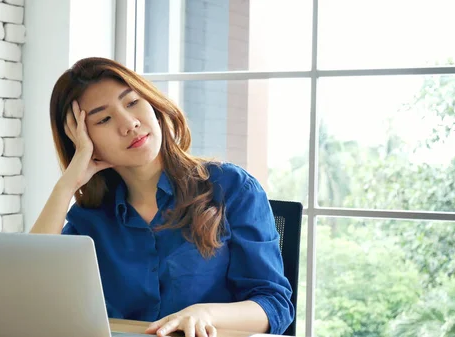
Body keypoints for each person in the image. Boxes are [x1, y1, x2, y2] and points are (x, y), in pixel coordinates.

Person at [30, 57, 294, 337]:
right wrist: (66, 186)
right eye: (104, 119)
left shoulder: (231, 187)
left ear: (153, 106)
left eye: (132, 102)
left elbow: (274, 305)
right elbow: (28, 290)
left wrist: (204, 313)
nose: (129, 123)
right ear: (84, 142)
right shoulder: (90, 219)